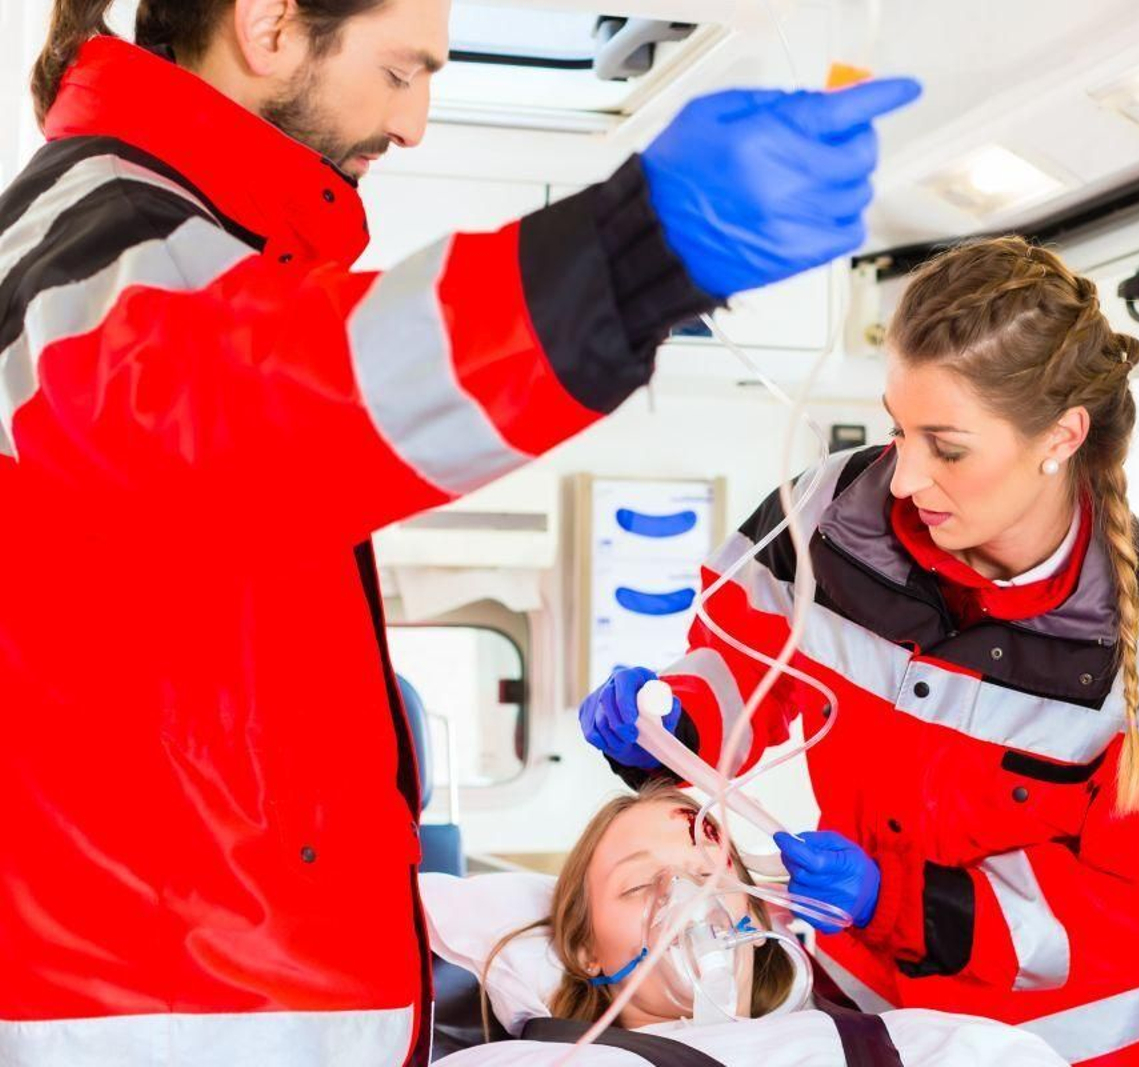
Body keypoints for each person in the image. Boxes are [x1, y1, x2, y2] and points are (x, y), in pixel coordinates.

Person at [0, 0, 919, 1061]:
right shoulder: (97, 248)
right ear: (268, 25)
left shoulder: (179, 254)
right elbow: (300, 402)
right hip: (152, 1018)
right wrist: (635, 250)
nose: (416, 123)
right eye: (402, 71)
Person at [580, 237, 1139, 1066]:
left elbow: (1118, 915)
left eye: (947, 447)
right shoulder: (825, 515)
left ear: (1062, 435)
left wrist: (892, 899)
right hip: (862, 1019)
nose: (902, 479)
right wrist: (675, 715)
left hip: (1059, 1045)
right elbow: (740, 666)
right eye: (900, 430)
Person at [422, 781, 1068, 1066]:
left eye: (711, 872)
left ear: (754, 913)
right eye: (641, 883)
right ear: (587, 951)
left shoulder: (930, 1046)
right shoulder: (534, 1060)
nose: (686, 897)